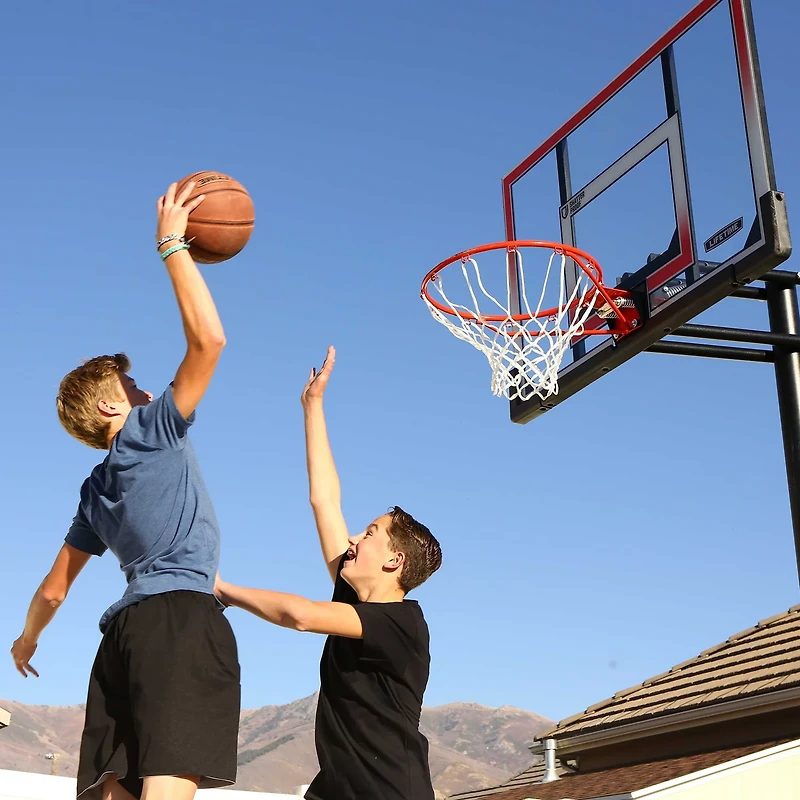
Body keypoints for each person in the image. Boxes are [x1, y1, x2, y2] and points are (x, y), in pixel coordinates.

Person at [10, 182, 241, 800]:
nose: (146, 391)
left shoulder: (94, 489)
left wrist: (27, 638)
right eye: (133, 385)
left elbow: (53, 589)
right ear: (114, 404)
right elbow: (209, 341)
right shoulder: (150, 430)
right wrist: (172, 246)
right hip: (178, 624)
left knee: (114, 791)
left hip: (122, 635)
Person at [215, 346, 442, 800]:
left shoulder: (402, 624)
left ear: (393, 561)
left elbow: (300, 616)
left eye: (371, 532)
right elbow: (325, 500)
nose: (355, 538)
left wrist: (223, 588)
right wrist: (312, 407)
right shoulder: (354, 601)